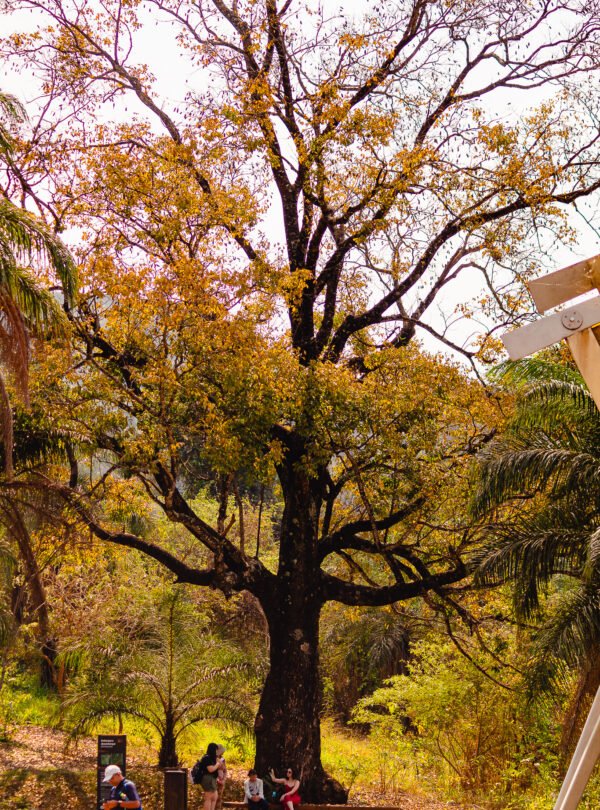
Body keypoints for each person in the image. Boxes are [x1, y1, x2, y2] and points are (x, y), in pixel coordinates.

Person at [196, 742, 226, 810]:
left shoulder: (214, 758)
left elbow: (222, 767)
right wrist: (217, 764)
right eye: (216, 750)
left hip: (212, 779)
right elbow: (211, 769)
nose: (217, 752)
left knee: (214, 797)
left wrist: (218, 761)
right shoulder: (206, 758)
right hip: (207, 779)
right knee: (209, 798)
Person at [215, 744, 228, 810]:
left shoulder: (223, 759)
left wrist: (224, 779)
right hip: (215, 781)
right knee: (214, 798)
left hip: (222, 781)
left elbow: (225, 771)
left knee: (219, 798)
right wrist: (217, 779)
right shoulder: (213, 759)